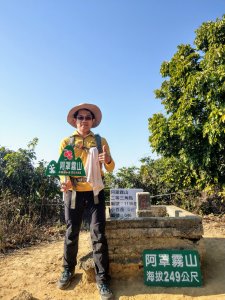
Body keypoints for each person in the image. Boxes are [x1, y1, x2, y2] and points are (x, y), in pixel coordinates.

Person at [57, 103, 115, 300]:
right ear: (75, 120)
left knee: (98, 235)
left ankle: (103, 280)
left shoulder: (100, 140)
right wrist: (65, 183)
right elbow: (63, 169)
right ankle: (67, 270)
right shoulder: (67, 141)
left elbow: (111, 167)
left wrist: (107, 158)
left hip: (95, 193)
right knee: (71, 232)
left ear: (93, 121)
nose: (84, 121)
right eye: (80, 117)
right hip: (73, 193)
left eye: (87, 117)